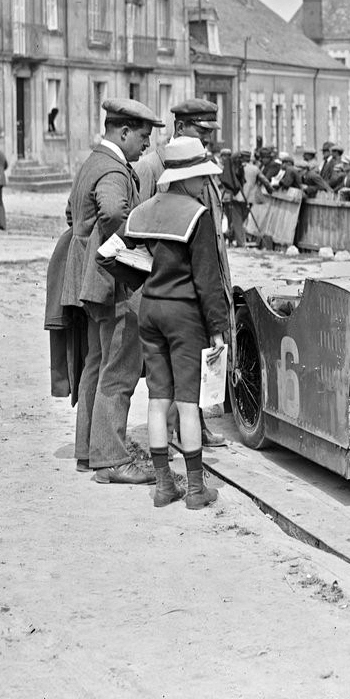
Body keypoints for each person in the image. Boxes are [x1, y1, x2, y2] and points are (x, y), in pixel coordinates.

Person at [123, 137, 229, 509]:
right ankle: (196, 490)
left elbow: (113, 254)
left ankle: (164, 486)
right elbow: (207, 279)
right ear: (185, 178)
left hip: (150, 311)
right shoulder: (197, 215)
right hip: (184, 315)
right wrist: (217, 327)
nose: (204, 183)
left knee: (157, 399)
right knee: (187, 403)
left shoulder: (144, 210)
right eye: (201, 177)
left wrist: (140, 281)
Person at [61, 98, 158, 485]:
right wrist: (131, 250)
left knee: (97, 364)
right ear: (124, 132)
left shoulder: (92, 163)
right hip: (115, 284)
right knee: (120, 369)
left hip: (92, 282)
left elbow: (72, 214)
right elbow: (115, 212)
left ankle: (89, 451)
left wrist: (92, 246)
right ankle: (111, 460)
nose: (147, 145)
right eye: (144, 137)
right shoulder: (114, 171)